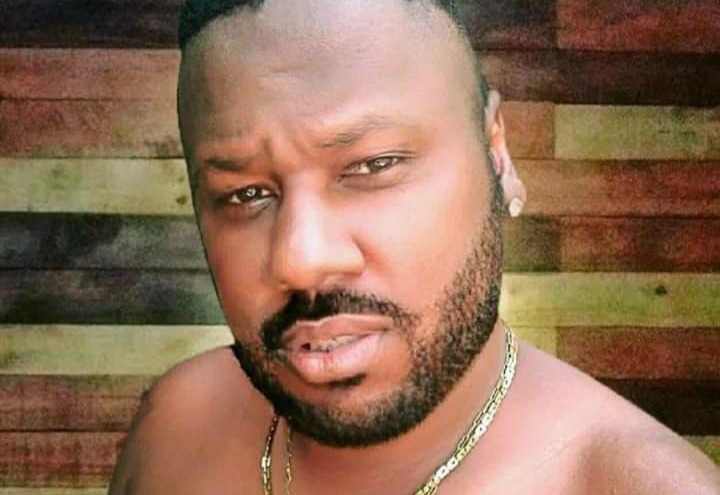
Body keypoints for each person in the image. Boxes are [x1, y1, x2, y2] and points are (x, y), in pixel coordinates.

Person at [109, 0, 719, 493]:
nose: (301, 260)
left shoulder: (632, 483)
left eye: (373, 165)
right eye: (245, 195)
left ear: (497, 154)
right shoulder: (175, 424)